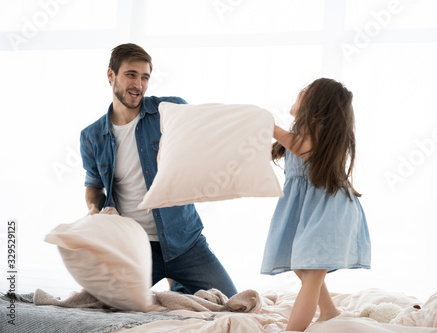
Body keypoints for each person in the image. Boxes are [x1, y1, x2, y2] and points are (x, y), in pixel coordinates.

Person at [80, 43, 237, 298]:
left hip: (185, 243)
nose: (139, 85)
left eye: (145, 77)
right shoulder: (92, 136)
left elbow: (205, 141)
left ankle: (178, 287)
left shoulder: (170, 110)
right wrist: (94, 211)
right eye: (131, 74)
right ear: (111, 75)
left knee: (230, 303)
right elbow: (94, 185)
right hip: (135, 249)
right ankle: (177, 291)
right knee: (98, 305)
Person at [261, 78, 371, 331]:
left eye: (305, 92)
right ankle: (330, 311)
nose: (298, 93)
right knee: (303, 267)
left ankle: (293, 331)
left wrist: (271, 127)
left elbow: (303, 148)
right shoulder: (297, 136)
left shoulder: (318, 135)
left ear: (316, 105)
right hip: (310, 212)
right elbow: (285, 149)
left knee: (311, 276)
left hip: (330, 214)